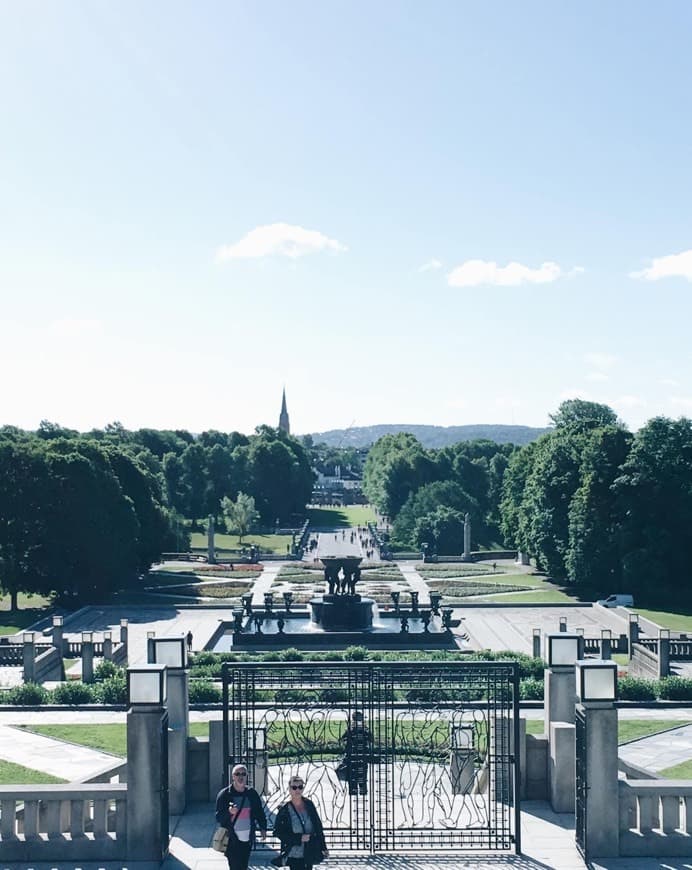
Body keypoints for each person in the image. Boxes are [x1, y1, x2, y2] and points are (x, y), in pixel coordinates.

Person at [215, 763, 267, 870]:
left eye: (243, 774)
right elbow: (219, 817)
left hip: (247, 839)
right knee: (235, 866)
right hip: (231, 839)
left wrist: (263, 827)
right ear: (233, 776)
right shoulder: (224, 795)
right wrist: (229, 812)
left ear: (247, 776)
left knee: (243, 866)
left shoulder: (251, 793)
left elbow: (259, 812)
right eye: (237, 774)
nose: (240, 777)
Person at [273, 775, 328, 870]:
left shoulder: (309, 804)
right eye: (294, 787)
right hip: (294, 853)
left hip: (309, 851)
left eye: (300, 787)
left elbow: (318, 826)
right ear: (289, 789)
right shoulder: (285, 810)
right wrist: (299, 838)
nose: (297, 790)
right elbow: (278, 832)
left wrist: (323, 847)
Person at [343, 711, 372, 796]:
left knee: (352, 774)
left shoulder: (350, 729)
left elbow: (343, 739)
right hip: (362, 755)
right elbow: (371, 739)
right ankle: (362, 790)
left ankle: (353, 790)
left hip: (352, 755)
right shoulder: (364, 729)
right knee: (362, 774)